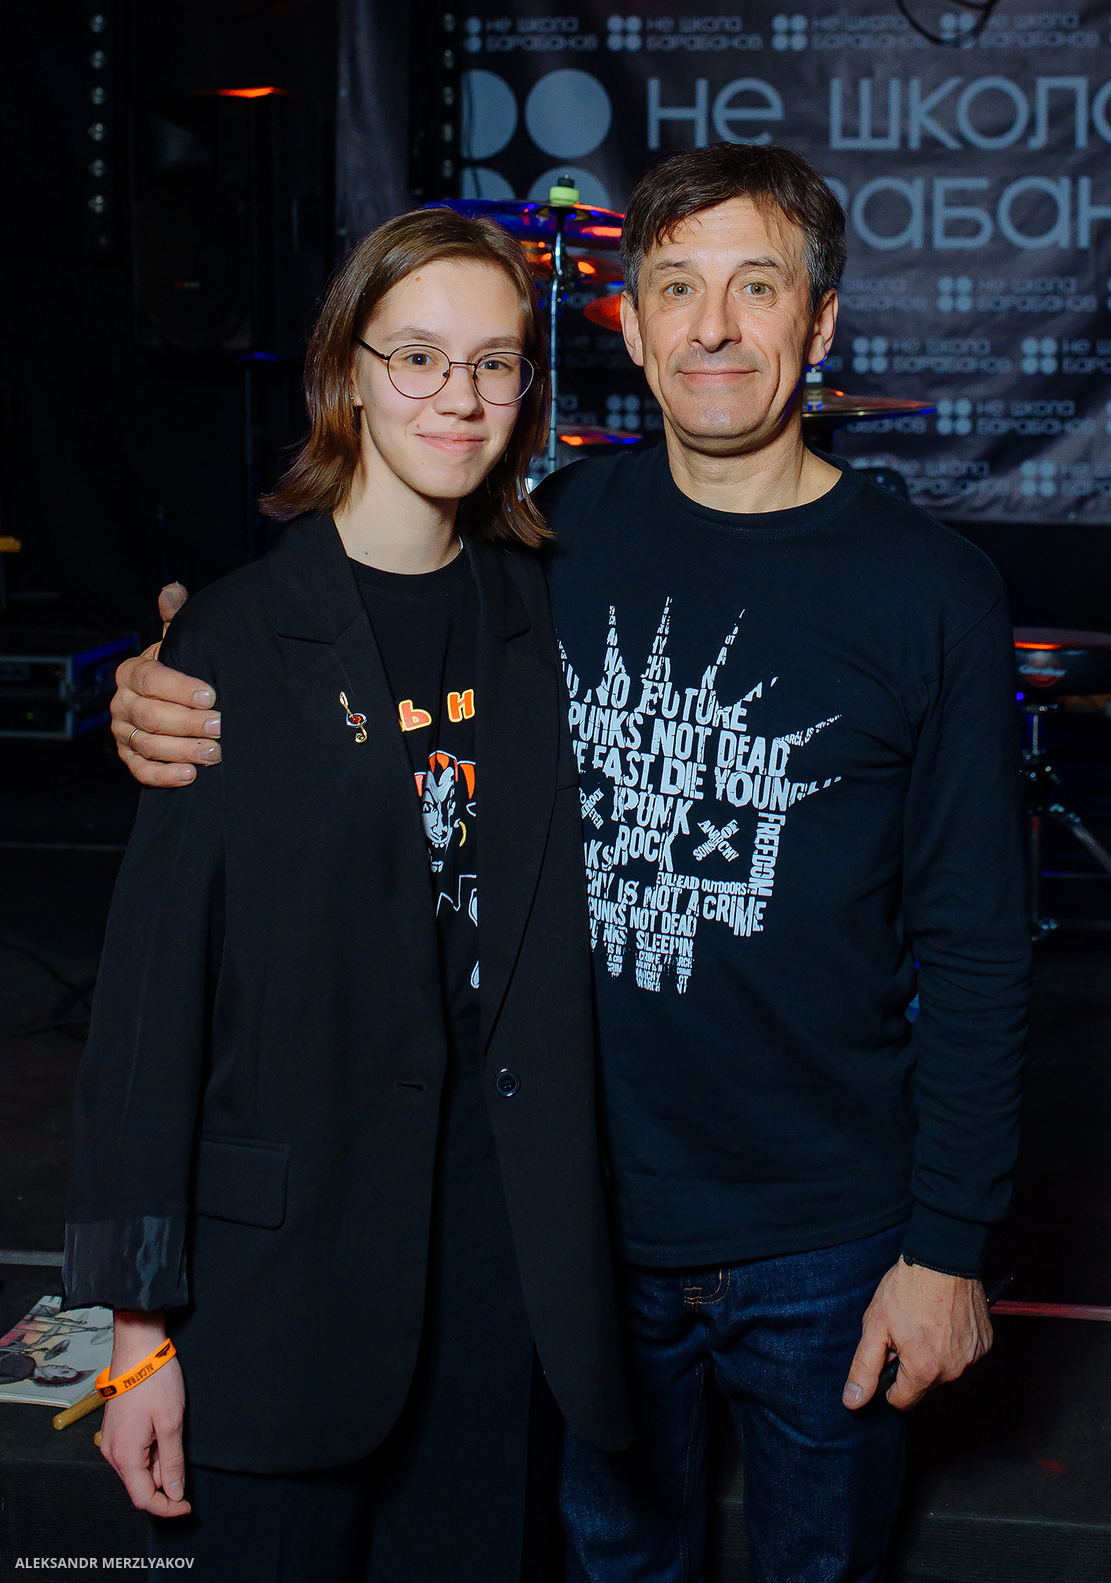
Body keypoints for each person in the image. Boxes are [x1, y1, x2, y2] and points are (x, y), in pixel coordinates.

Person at [111, 144, 1030, 1583]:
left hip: (826, 1235)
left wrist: (949, 1244)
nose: (712, 327)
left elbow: (978, 945)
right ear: (631, 328)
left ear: (821, 324)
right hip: (573, 1225)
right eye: (675, 288)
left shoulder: (932, 593)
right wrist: (174, 669)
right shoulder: (549, 542)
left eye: (756, 287)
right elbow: (357, 612)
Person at [67, 206, 628, 1583]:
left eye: (493, 364)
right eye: (418, 357)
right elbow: (149, 1009)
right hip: (280, 1283)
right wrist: (133, 1335)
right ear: (350, 375)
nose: (459, 398)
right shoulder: (235, 639)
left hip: (498, 1275)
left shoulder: (541, 612)